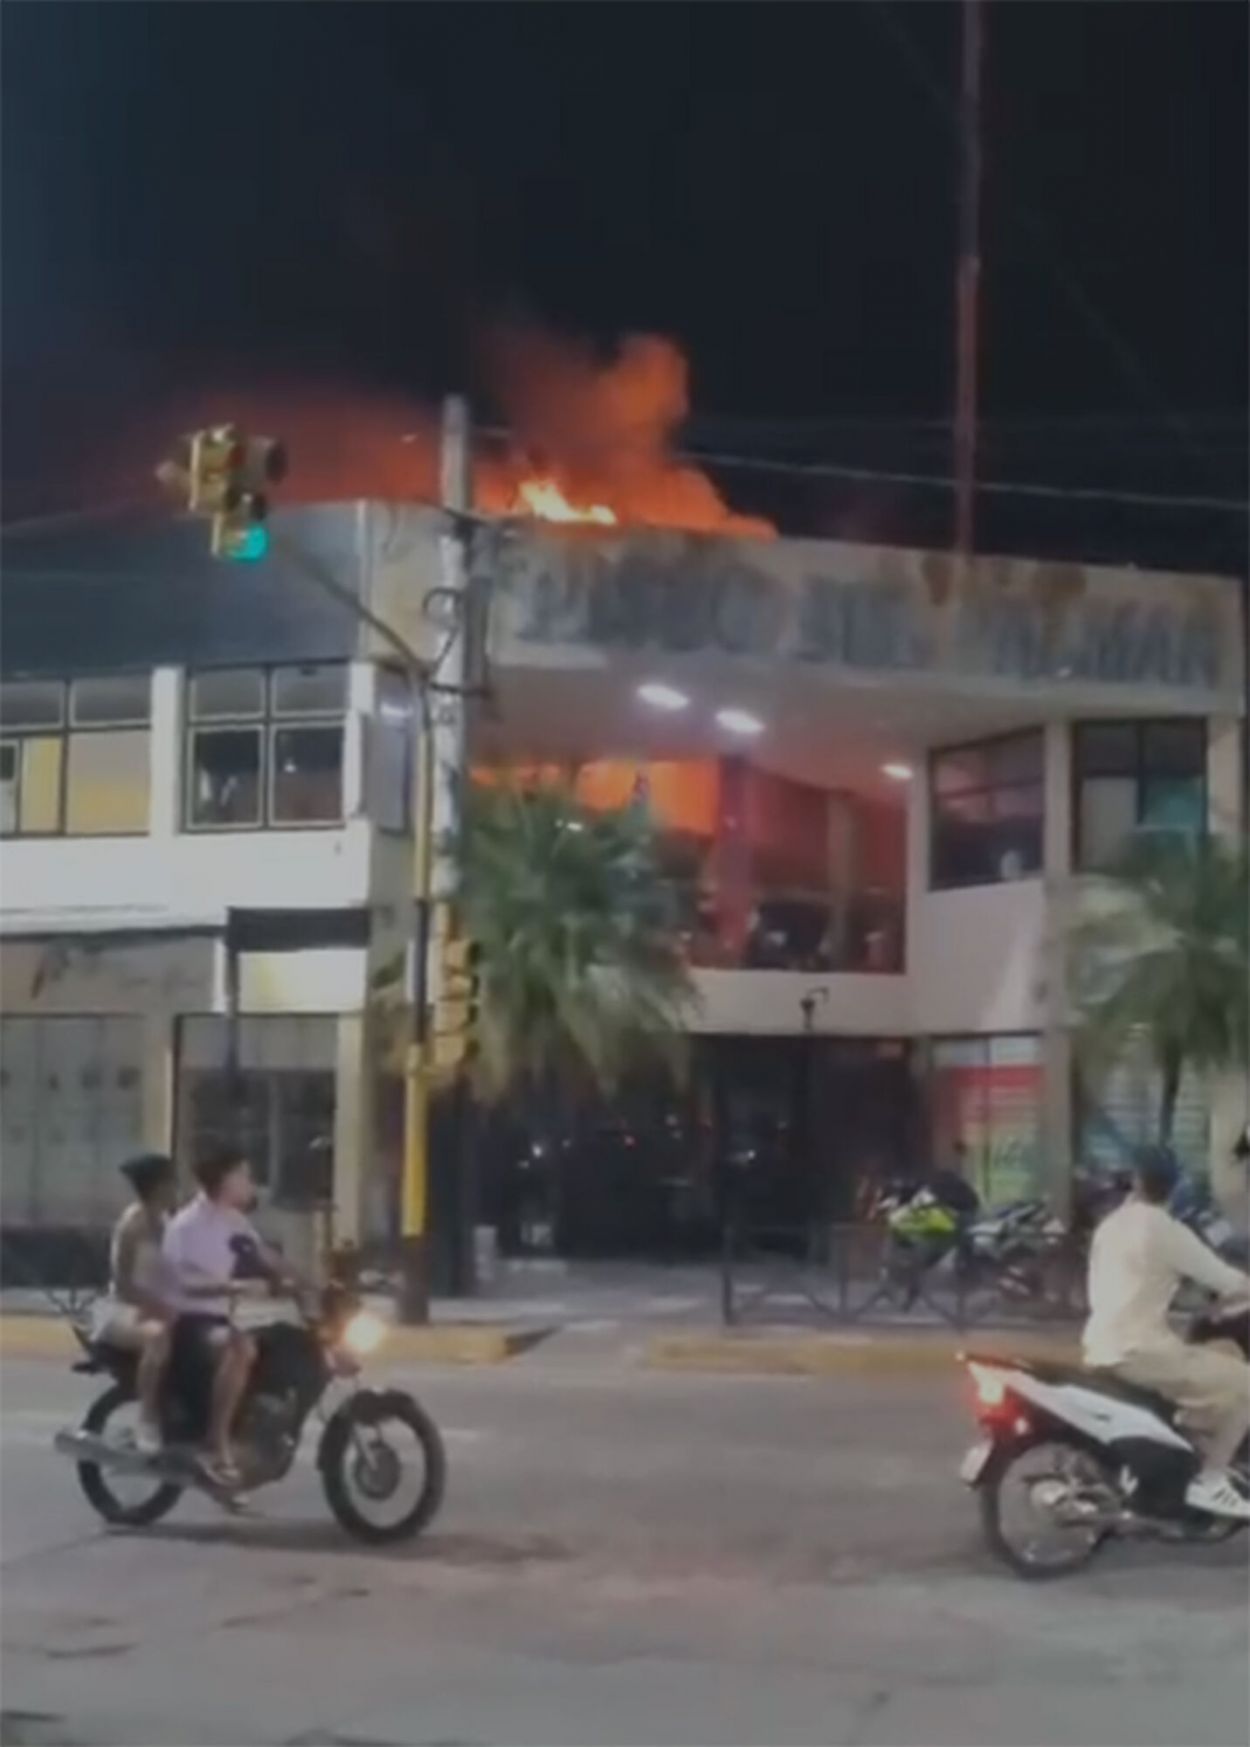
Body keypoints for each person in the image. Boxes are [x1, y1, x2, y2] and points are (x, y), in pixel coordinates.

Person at [1083, 1144, 1250, 1521]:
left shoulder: (1111, 1226)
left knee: (1212, 1365)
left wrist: (1195, 1306)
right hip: (1142, 1350)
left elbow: (1130, 1286)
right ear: (1174, 1188)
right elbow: (1225, 1279)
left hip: (1101, 1343)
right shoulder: (1164, 1230)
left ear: (1136, 1181)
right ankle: (1211, 1480)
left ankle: (1181, 1454)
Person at [162, 1143, 296, 1487]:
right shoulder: (185, 1226)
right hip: (188, 1323)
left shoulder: (235, 1222)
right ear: (223, 1181)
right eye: (244, 1176)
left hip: (220, 1320)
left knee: (278, 1342)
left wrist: (308, 1282)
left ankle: (253, 1426)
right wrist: (230, 1288)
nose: (251, 1183)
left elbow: (265, 1257)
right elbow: (176, 1282)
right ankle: (216, 1439)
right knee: (241, 1347)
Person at [93, 1154, 178, 1452]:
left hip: (156, 1307)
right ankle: (147, 1419)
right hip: (123, 1310)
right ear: (157, 1187)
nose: (176, 1189)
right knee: (158, 1337)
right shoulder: (133, 1224)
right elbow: (125, 1284)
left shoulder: (167, 1222)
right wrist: (157, 1305)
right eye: (171, 1183)